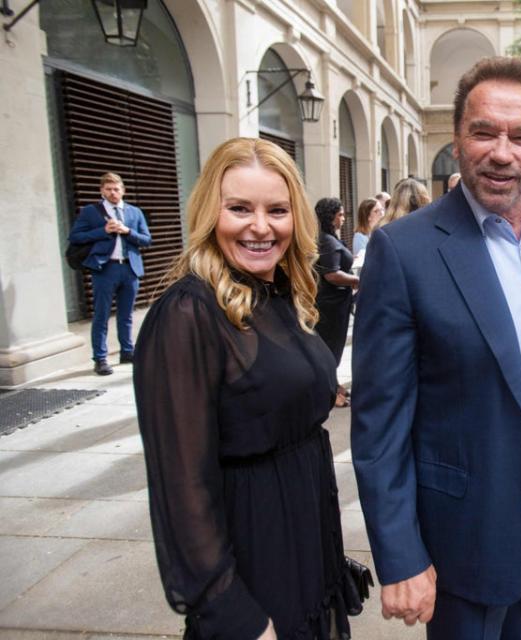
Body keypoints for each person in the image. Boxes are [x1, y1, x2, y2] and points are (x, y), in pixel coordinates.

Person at [352, 56, 521, 639]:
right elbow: (379, 422)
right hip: (464, 524)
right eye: (484, 131)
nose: (502, 151)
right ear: (458, 139)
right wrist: (400, 554)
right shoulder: (404, 250)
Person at [133, 138, 359, 639]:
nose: (261, 227)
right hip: (252, 558)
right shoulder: (188, 313)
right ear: (210, 213)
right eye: (239, 208)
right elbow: (181, 488)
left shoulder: (277, 294)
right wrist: (232, 612)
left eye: (276, 210)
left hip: (304, 545)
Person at [67, 172, 151, 375]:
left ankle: (127, 351)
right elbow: (75, 236)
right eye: (108, 189)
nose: (113, 193)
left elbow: (147, 239)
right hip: (105, 268)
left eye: (116, 189)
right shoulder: (90, 212)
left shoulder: (134, 212)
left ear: (123, 190)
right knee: (101, 314)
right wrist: (103, 231)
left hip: (129, 268)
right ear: (101, 191)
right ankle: (100, 358)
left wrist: (127, 231)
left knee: (126, 314)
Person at [314, 197, 360, 408]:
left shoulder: (329, 238)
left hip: (337, 304)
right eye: (340, 214)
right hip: (330, 305)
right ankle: (331, 393)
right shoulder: (326, 240)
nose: (343, 218)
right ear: (330, 217)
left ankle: (335, 386)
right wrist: (358, 279)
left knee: (335, 348)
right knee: (330, 349)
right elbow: (331, 274)